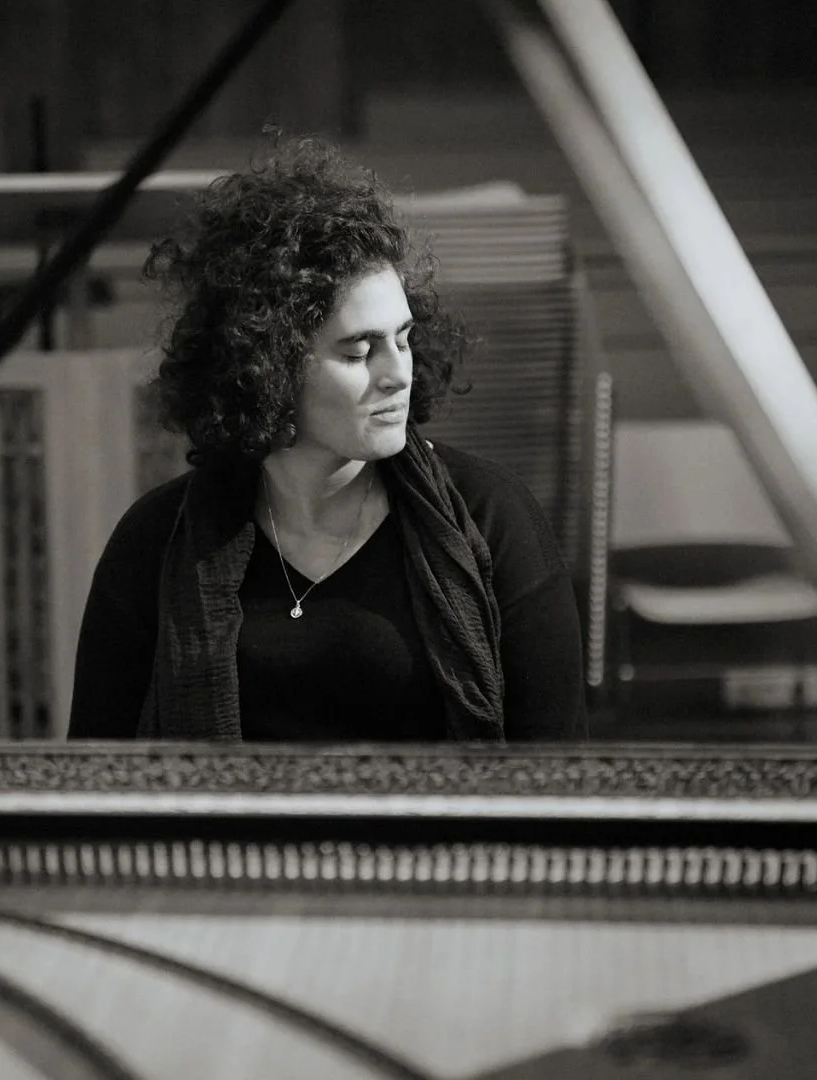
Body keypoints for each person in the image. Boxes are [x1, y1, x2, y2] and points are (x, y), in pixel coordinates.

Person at [68, 137, 584, 743]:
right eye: (360, 352)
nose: (398, 373)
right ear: (267, 366)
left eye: (404, 339)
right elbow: (96, 772)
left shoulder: (493, 516)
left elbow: (559, 771)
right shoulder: (155, 542)